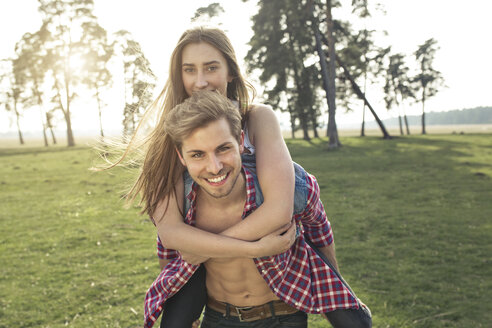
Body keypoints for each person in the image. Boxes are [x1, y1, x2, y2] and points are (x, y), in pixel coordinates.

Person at [144, 90, 371, 328]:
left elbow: (319, 229)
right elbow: (170, 254)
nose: (214, 167)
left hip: (285, 316)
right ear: (181, 156)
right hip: (219, 317)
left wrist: (334, 298)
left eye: (223, 148)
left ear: (241, 141)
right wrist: (181, 310)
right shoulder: (182, 203)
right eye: (197, 154)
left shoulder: (283, 190)